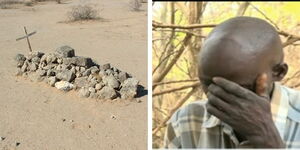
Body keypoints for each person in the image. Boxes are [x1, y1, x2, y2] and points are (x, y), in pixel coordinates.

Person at [163, 16, 300, 148]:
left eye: (237, 89)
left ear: (278, 72)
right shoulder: (187, 121)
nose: (218, 95)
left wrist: (269, 141)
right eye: (207, 84)